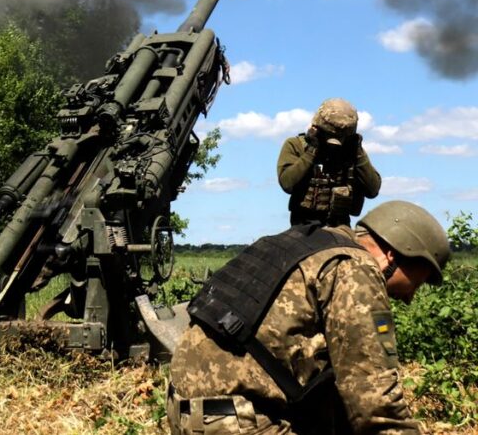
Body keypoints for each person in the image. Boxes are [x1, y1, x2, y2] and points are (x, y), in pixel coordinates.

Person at [167, 200, 450, 435]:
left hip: (189, 408)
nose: (411, 297)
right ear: (393, 255)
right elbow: (374, 402)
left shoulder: (310, 246)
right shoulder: (357, 269)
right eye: (419, 281)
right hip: (236, 420)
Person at [277, 98, 382, 226]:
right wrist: (311, 151)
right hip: (303, 225)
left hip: (340, 226)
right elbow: (287, 183)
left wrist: (358, 152)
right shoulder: (297, 145)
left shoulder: (353, 151)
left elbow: (372, 190)